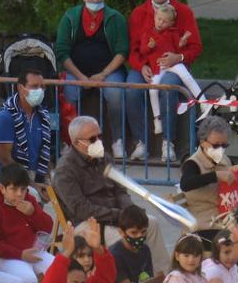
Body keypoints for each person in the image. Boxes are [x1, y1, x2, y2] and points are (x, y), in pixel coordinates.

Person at [53, 115, 171, 270]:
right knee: (123, 238)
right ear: (77, 143)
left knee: (151, 223)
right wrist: (118, 216)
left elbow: (120, 190)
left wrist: (129, 212)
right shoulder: (65, 170)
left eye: (100, 136)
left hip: (116, 216)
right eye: (93, 139)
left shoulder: (104, 158)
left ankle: (162, 280)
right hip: (88, 222)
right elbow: (81, 209)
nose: (99, 142)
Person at [55, 0, 145, 161]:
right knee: (69, 94)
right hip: (77, 71)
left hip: (109, 71)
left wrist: (102, 74)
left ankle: (117, 140)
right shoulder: (70, 17)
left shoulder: (115, 18)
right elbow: (62, 51)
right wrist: (81, 78)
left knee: (115, 93)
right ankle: (70, 141)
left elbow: (122, 51)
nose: (95, 0)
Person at [126, 0, 202, 159]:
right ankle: (140, 142)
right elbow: (133, 50)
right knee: (131, 90)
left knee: (168, 89)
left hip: (173, 67)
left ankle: (168, 143)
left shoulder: (183, 12)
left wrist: (179, 57)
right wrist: (141, 66)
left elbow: (195, 46)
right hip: (146, 66)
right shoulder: (138, 13)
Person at [0, 164, 55, 283]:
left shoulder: (29, 200)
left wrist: (33, 213)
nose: (19, 194)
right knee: (28, 280)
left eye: (23, 189)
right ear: (2, 189)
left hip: (34, 252)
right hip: (8, 257)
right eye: (13, 189)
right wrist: (20, 254)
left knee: (59, 270)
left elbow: (47, 228)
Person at [179, 115, 238, 233]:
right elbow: (186, 184)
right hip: (207, 223)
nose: (220, 149)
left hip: (230, 218)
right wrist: (216, 176)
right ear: (203, 143)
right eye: (216, 145)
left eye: (224, 145)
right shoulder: (193, 163)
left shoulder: (225, 160)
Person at [136, 4, 205, 137]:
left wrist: (182, 42)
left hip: (172, 63)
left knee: (186, 76)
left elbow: (177, 48)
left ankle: (203, 101)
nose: (161, 23)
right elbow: (143, 51)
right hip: (157, 66)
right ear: (155, 17)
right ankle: (157, 119)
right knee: (153, 89)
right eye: (159, 19)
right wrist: (149, 46)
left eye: (165, 21)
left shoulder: (172, 33)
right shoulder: (148, 33)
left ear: (171, 23)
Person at [0, 69, 51, 181]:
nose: (40, 90)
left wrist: (48, 184)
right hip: (8, 177)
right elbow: (5, 159)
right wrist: (32, 185)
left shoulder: (43, 116)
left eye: (42, 87)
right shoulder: (6, 116)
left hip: (34, 175)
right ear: (20, 88)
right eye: (34, 86)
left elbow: (45, 153)